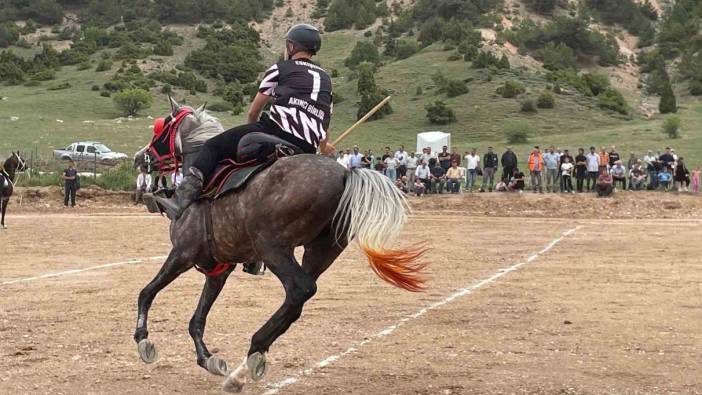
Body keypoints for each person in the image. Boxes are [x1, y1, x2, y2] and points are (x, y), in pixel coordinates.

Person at [162, 24, 334, 218]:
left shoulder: (280, 68)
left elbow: (254, 111)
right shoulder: (326, 80)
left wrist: (251, 126)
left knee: (212, 146)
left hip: (276, 131)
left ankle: (181, 198)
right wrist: (324, 146)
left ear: (292, 46)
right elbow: (325, 122)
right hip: (308, 148)